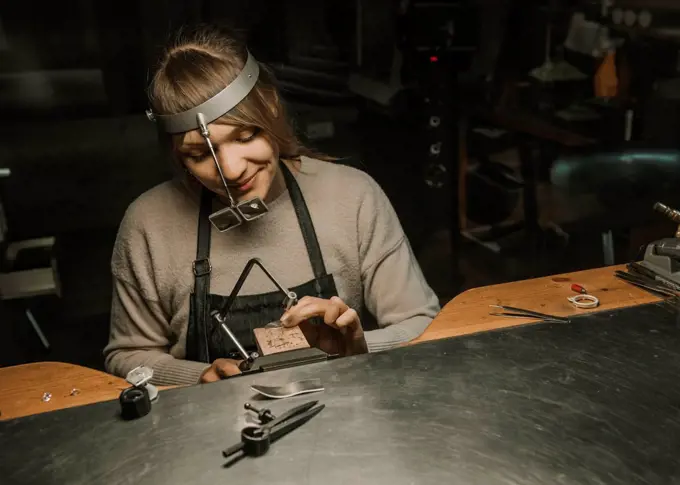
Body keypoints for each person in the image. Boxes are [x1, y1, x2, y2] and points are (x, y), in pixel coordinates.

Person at [103, 24, 441, 386]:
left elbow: (423, 324)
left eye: (245, 135)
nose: (231, 171)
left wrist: (355, 348)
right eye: (200, 154)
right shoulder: (148, 223)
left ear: (272, 110)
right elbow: (127, 355)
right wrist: (198, 377)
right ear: (178, 155)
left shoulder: (353, 195)